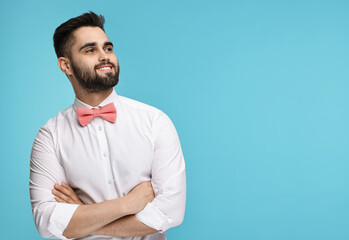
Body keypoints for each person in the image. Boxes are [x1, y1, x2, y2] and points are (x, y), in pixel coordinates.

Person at [29, 11, 186, 240]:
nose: (104, 56)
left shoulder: (155, 122)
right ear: (66, 65)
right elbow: (47, 221)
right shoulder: (50, 136)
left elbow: (170, 212)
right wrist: (128, 204)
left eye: (108, 48)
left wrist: (83, 217)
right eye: (90, 50)